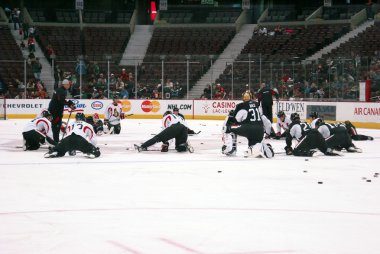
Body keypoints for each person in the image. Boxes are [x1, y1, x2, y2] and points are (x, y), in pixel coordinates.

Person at [222, 91, 274, 158]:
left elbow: (237, 120)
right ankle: (264, 148)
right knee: (253, 148)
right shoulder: (257, 105)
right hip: (260, 131)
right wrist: (267, 133)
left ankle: (230, 149)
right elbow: (267, 122)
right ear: (251, 97)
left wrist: (231, 115)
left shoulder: (241, 106)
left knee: (228, 128)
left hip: (248, 129)